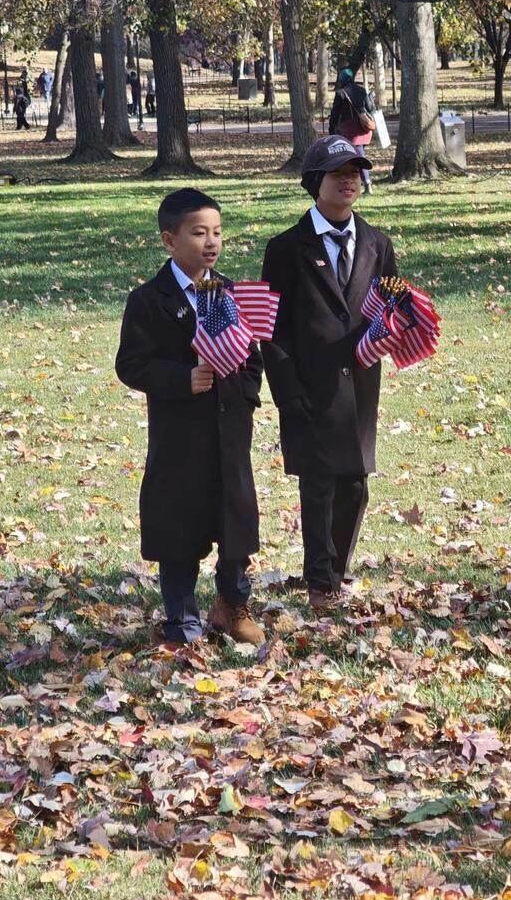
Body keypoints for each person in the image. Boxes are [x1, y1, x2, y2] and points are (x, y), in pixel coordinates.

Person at [115, 188, 265, 648]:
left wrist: (244, 395)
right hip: (181, 436)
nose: (211, 241)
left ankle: (232, 603)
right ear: (169, 239)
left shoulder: (230, 293)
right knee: (179, 524)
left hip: (228, 431)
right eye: (198, 232)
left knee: (235, 520)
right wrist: (183, 379)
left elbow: (252, 354)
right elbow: (131, 364)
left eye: (217, 232)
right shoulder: (149, 300)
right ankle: (182, 619)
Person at [261, 135, 398, 613]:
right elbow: (272, 330)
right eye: (338, 173)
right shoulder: (284, 249)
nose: (349, 180)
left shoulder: (379, 243)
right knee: (317, 485)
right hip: (307, 386)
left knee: (355, 486)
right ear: (313, 183)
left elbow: (390, 301)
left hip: (359, 387)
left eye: (356, 171)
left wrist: (400, 322)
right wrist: (285, 389)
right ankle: (319, 582)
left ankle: (335, 571)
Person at [329, 68, 375, 192]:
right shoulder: (361, 90)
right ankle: (361, 182)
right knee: (357, 155)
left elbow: (335, 115)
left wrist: (331, 130)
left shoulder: (341, 94)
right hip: (364, 128)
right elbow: (370, 108)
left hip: (350, 131)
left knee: (358, 156)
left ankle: (367, 183)